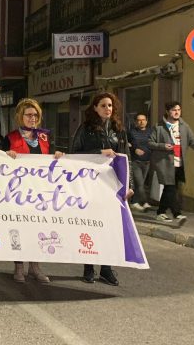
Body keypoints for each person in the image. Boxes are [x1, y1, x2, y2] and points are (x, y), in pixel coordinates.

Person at [71, 93, 134, 286]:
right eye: (104, 105)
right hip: (91, 185)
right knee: (90, 226)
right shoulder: (85, 129)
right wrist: (98, 153)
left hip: (112, 185)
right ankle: (89, 268)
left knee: (110, 227)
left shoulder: (119, 130)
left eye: (110, 105)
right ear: (95, 108)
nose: (108, 108)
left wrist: (128, 185)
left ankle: (106, 269)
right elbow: (74, 154)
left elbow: (127, 157)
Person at [2, 98, 63, 284]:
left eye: (36, 115)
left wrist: (58, 155)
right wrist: (6, 156)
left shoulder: (44, 137)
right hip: (19, 193)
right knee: (19, 230)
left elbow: (50, 158)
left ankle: (35, 267)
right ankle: (19, 267)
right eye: (29, 115)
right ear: (21, 116)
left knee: (38, 229)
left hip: (40, 193)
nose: (33, 118)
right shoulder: (10, 138)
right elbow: (0, 165)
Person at [148, 101, 194, 223]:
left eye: (178, 110)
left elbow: (193, 141)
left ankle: (161, 212)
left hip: (179, 162)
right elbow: (150, 142)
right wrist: (163, 146)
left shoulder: (184, 126)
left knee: (171, 188)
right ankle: (176, 213)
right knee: (170, 187)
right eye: (173, 110)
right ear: (167, 112)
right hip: (165, 163)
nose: (176, 112)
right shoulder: (159, 127)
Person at [128, 113, 153, 211]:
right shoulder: (131, 132)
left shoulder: (151, 132)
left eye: (143, 120)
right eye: (139, 120)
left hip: (147, 161)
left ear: (146, 121)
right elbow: (127, 144)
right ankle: (145, 202)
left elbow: (153, 143)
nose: (141, 122)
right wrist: (134, 149)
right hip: (136, 161)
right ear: (135, 122)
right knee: (140, 183)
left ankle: (134, 202)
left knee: (140, 183)